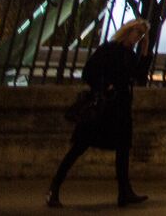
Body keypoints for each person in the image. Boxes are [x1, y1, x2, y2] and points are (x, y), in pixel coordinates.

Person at [47, 18, 152, 208]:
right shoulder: (109, 49)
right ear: (128, 31)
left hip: (121, 106)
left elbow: (139, 75)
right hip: (104, 107)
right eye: (137, 32)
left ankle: (124, 191)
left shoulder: (129, 54)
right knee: (79, 147)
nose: (138, 37)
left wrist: (145, 50)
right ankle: (54, 187)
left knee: (123, 150)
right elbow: (88, 72)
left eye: (142, 35)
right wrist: (105, 87)